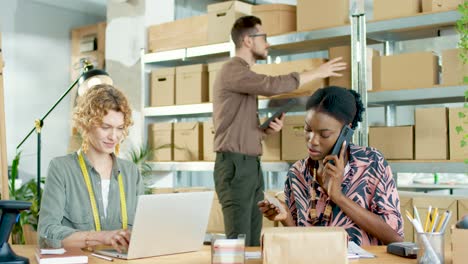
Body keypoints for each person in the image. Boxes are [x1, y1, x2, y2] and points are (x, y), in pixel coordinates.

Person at [212, 15, 346, 246]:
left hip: (249, 164)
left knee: (252, 239)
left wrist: (264, 132)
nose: (268, 43)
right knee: (238, 241)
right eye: (263, 37)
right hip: (235, 165)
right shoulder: (233, 70)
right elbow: (271, 85)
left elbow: (236, 128)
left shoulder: (243, 78)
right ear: (247, 40)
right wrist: (317, 73)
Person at [258, 86, 404, 246]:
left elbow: (395, 238)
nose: (312, 140)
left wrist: (338, 196)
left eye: (324, 134)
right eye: (308, 129)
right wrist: (286, 217)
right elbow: (301, 242)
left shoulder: (371, 163)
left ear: (346, 132)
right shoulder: (297, 173)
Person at [38, 84, 144, 252]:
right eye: (105, 127)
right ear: (87, 124)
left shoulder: (131, 172)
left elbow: (144, 230)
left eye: (120, 128)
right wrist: (101, 236)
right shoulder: (61, 168)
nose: (113, 136)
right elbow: (47, 233)